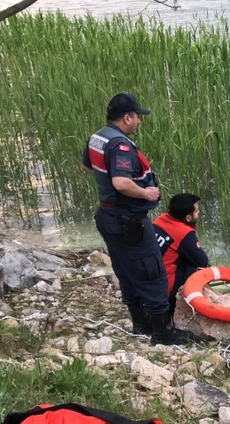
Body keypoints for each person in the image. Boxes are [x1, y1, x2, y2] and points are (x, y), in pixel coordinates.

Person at [82, 92, 194, 346]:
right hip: (128, 221)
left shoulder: (98, 138)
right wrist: (146, 193)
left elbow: (88, 168)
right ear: (126, 118)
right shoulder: (120, 145)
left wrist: (107, 182)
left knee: (125, 270)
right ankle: (162, 332)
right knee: (152, 272)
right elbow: (121, 183)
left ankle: (140, 324)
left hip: (107, 216)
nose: (139, 122)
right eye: (137, 117)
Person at [153, 193, 210, 317]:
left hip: (149, 281)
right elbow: (203, 262)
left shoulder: (160, 220)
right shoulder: (184, 233)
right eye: (197, 211)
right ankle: (177, 304)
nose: (199, 213)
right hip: (163, 288)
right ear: (188, 218)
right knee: (199, 267)